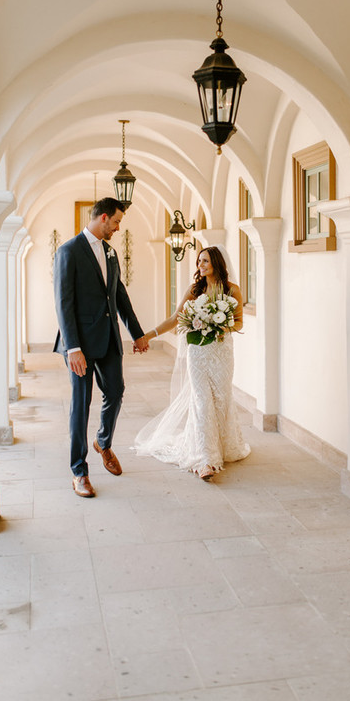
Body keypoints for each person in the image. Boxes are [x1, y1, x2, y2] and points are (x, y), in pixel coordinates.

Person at [53, 197, 148, 497]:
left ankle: (103, 442)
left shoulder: (111, 253)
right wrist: (72, 348)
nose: (119, 229)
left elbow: (119, 296)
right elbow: (63, 302)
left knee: (116, 392)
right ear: (104, 217)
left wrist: (137, 333)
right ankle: (79, 471)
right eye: (117, 222)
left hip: (108, 339)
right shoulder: (68, 251)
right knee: (81, 405)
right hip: (79, 345)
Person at [133, 246, 250, 480]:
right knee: (201, 399)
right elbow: (176, 319)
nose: (201, 265)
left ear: (216, 262)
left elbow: (238, 323)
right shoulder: (195, 290)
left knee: (221, 397)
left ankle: (223, 446)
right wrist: (148, 335)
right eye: (199, 261)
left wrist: (217, 326)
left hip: (221, 351)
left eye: (205, 261)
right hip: (197, 353)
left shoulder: (232, 290)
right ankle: (205, 458)